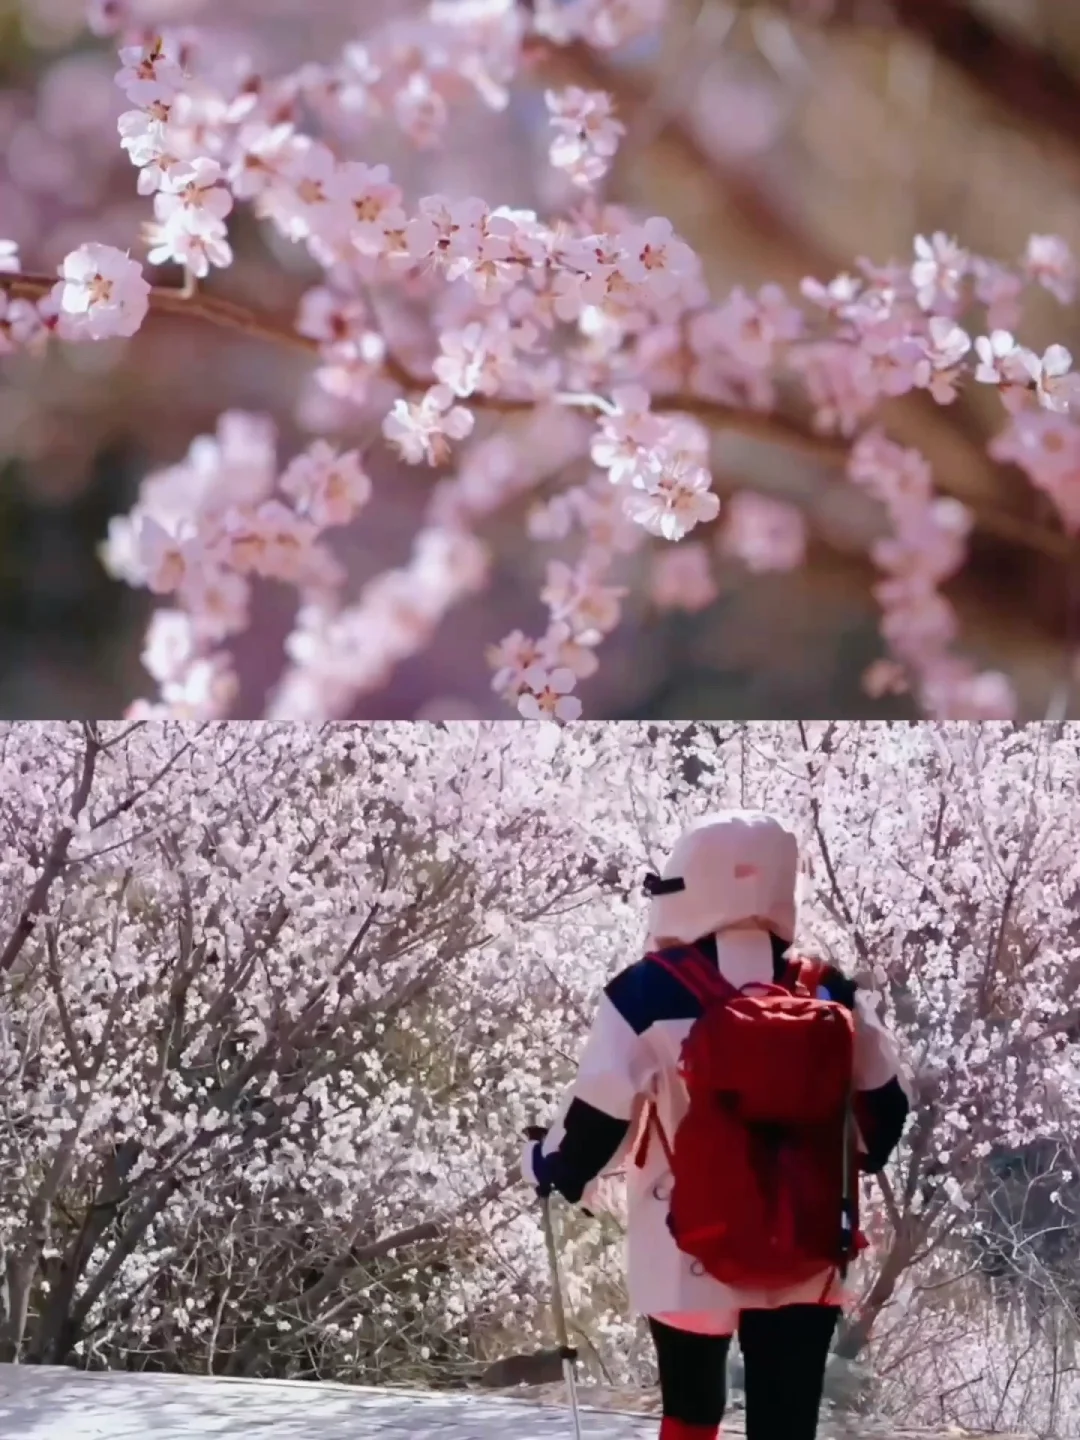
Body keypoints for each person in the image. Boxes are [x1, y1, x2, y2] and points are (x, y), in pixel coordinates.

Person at [521, 810, 911, 1440]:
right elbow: (885, 1113)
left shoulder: (645, 993)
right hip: (807, 1242)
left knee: (691, 1410)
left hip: (686, 1237)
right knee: (787, 1422)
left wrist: (553, 1166)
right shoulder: (830, 990)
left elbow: (598, 1113)